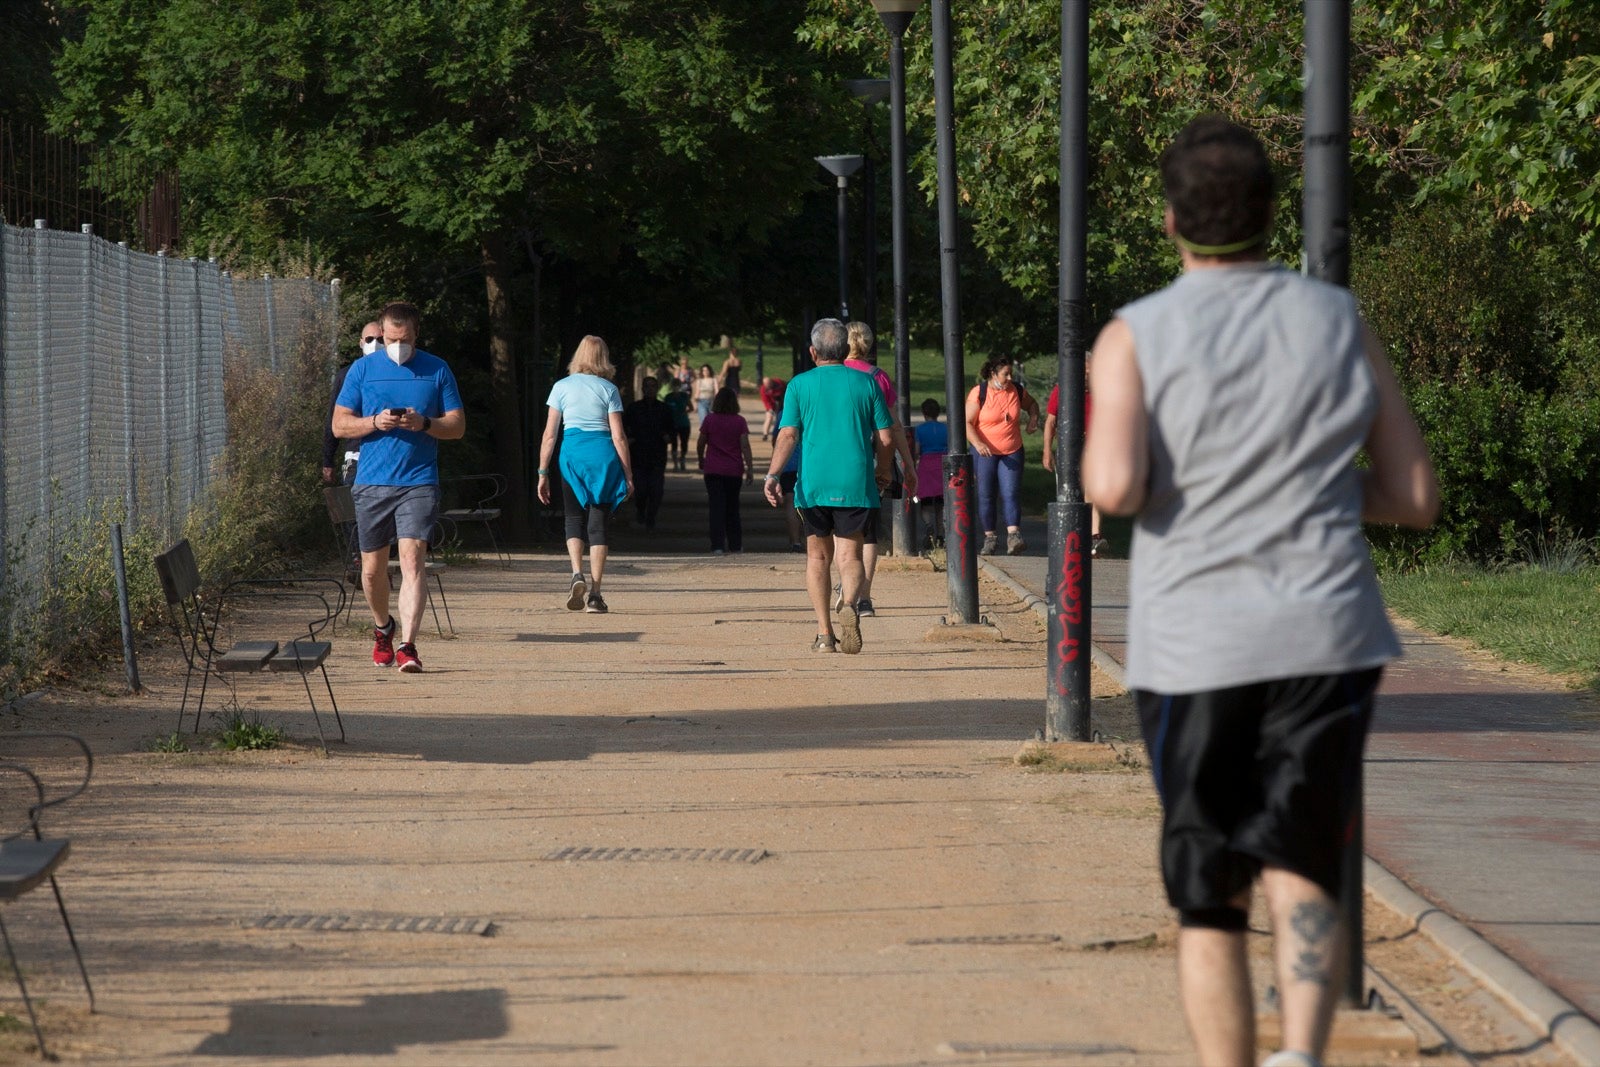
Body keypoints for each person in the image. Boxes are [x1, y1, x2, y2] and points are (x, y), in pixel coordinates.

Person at [1082, 115, 1438, 1067]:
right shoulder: (1337, 320)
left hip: (1194, 639)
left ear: (1169, 221)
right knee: (1303, 850)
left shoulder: (1135, 335)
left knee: (1209, 881)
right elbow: (1413, 494)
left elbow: (1112, 487)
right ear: (1271, 217)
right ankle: (1305, 1054)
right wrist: (1312, 485)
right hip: (1326, 632)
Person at [330, 301, 466, 674]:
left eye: (403, 339)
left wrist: (424, 424)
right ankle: (382, 628)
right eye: (389, 339)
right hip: (371, 482)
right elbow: (340, 426)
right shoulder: (362, 370)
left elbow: (456, 426)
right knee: (372, 571)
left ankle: (408, 645)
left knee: (412, 561)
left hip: (419, 482)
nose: (395, 346)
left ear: (416, 335)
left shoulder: (437, 369)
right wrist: (375, 422)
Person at [762, 318, 903, 655]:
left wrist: (772, 474)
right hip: (855, 480)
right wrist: (884, 472)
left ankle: (825, 634)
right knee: (849, 554)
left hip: (814, 484)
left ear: (813, 352)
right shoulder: (867, 383)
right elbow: (885, 436)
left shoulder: (798, 386)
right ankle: (851, 602)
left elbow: (788, 434)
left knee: (817, 556)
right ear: (845, 349)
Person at [537, 336, 635, 615]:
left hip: (572, 455)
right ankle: (595, 594)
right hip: (602, 455)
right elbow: (618, 435)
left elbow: (549, 434)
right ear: (603, 358)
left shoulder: (561, 387)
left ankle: (576, 573)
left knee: (572, 517)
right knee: (598, 524)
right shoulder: (609, 389)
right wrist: (628, 473)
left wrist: (542, 472)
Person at [839, 321, 915, 616]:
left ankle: (846, 588)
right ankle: (865, 597)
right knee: (869, 531)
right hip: (873, 460)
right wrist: (908, 464)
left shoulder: (832, 373)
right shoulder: (878, 378)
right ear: (869, 345)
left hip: (840, 460)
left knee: (840, 529)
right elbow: (893, 428)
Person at [965, 355, 1041, 556]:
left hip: (1012, 449)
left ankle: (1014, 536)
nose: (1009, 377)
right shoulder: (979, 393)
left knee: (1010, 493)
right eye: (1005, 374)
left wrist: (1033, 418)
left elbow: (1032, 404)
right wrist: (978, 443)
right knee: (986, 495)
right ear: (993, 373)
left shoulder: (1016, 390)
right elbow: (966, 423)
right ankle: (990, 538)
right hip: (986, 452)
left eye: (1010, 374)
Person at [1042, 378, 1105, 556]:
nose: (1087, 377)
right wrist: (1047, 450)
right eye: (1085, 372)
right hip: (1069, 447)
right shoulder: (1062, 389)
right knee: (1070, 490)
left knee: (1092, 490)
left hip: (1094, 445)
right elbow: (1050, 422)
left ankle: (1094, 536)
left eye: (1091, 372)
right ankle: (1071, 536)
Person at [322, 319, 382, 485]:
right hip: (356, 455)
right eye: (370, 339)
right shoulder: (347, 375)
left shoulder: (398, 373)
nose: (375, 344)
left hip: (388, 457)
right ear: (361, 343)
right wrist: (328, 460)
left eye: (380, 340)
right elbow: (333, 420)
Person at [696, 386, 753, 554]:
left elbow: (701, 442)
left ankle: (717, 545)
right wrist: (750, 467)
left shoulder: (709, 420)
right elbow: (745, 446)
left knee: (716, 508)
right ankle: (735, 544)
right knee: (732, 508)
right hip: (733, 470)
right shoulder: (739, 421)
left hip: (713, 469)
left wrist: (701, 459)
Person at [623, 375, 673, 531]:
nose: (650, 389)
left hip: (657, 455)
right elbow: (624, 427)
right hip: (638, 455)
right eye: (647, 386)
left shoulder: (664, 409)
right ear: (642, 389)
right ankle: (641, 510)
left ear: (657, 389)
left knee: (656, 490)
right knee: (641, 488)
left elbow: (672, 429)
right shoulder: (634, 408)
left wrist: (667, 437)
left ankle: (651, 516)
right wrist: (629, 439)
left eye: (653, 386)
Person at [912, 397, 948, 547]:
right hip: (942, 464)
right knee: (941, 503)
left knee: (925, 503)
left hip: (926, 465)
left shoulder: (919, 430)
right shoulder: (946, 428)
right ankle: (941, 535)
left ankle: (928, 526)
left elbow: (917, 451)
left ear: (924, 413)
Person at [662, 377, 691, 471]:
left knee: (684, 443)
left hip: (684, 423)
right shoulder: (668, 397)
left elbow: (691, 407)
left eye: (678, 386)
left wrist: (685, 412)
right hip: (672, 423)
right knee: (674, 443)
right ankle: (675, 464)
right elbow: (664, 410)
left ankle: (682, 459)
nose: (676, 388)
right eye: (674, 386)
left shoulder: (684, 396)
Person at [758, 375, 787, 442]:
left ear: (771, 381)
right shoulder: (763, 389)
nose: (768, 386)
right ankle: (765, 434)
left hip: (781, 402)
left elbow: (785, 390)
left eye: (769, 384)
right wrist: (770, 408)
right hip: (771, 404)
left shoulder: (779, 382)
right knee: (769, 417)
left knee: (780, 418)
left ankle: (780, 434)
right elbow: (765, 400)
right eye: (766, 385)